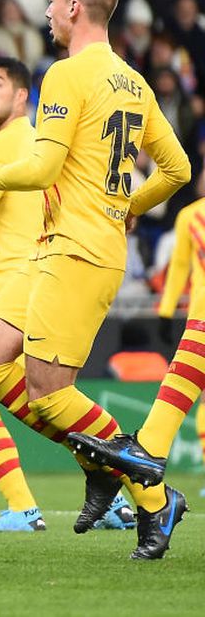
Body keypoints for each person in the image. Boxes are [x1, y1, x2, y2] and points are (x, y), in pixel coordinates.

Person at [0, 0, 190, 560]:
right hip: (69, 245)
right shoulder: (134, 82)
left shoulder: (66, 74)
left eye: (52, 2)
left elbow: (39, 170)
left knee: (46, 391)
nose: (44, 13)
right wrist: (129, 206)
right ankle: (103, 467)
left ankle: (153, 494)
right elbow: (179, 169)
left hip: (79, 250)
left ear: (73, 10)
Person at [0, 56, 133, 533]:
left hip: (13, 278)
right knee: (18, 393)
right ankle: (104, 483)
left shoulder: (4, 144)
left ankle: (48, 497)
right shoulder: (40, 141)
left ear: (22, 96)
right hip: (41, 272)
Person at [69, 170, 205, 503]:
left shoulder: (191, 216)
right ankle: (149, 448)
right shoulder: (189, 215)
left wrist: (165, 310)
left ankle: (148, 448)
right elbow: (178, 269)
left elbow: (179, 268)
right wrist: (166, 309)